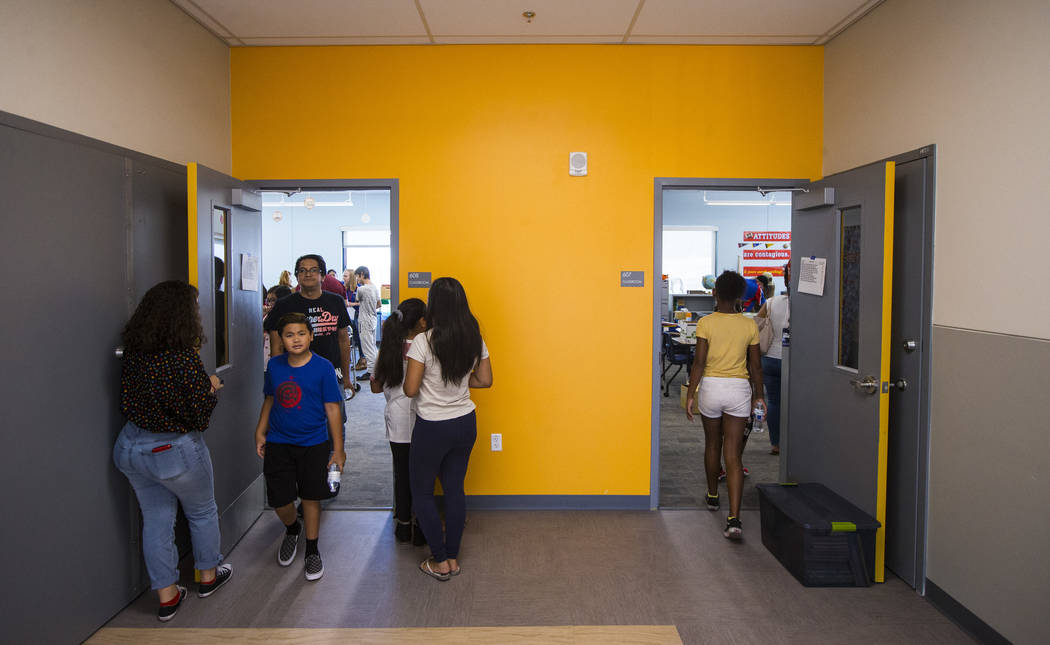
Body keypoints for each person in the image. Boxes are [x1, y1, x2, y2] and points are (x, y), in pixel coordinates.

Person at [112, 280, 233, 621]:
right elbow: (198, 415)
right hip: (173, 450)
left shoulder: (134, 349)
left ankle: (167, 597)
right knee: (201, 512)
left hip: (131, 446)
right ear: (183, 315)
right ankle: (208, 576)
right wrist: (211, 387)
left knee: (156, 519)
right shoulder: (181, 358)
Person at [404, 277, 493, 580]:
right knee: (454, 490)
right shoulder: (473, 338)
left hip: (432, 427)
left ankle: (439, 561)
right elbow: (485, 380)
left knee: (422, 493)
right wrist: (455, 380)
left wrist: (431, 380)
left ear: (434, 305)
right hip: (465, 422)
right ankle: (453, 558)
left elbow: (410, 389)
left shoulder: (423, 341)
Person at [254, 312, 347, 581]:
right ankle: (292, 528)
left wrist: (338, 450)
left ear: (311, 336)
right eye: (289, 335)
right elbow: (271, 399)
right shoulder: (275, 366)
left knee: (310, 497)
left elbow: (332, 409)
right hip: (279, 442)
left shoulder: (323, 367)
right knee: (280, 501)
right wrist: (260, 430)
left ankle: (313, 550)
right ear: (280, 339)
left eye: (301, 334)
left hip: (314, 443)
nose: (296, 339)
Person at [685, 270, 765, 540]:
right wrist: (759, 396)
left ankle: (711, 495)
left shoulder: (705, 323)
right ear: (741, 296)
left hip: (712, 388)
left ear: (714, 293)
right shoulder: (749, 325)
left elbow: (699, 362)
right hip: (739, 391)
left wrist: (690, 394)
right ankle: (734, 519)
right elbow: (755, 366)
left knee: (712, 445)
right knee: (733, 455)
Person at [371, 298, 427, 543]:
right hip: (424, 418)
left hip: (397, 420)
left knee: (402, 475)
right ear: (421, 322)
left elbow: (374, 387)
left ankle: (403, 525)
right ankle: (422, 527)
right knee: (423, 476)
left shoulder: (389, 348)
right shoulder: (427, 346)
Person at [264, 255, 352, 402]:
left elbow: (343, 341)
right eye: (302, 270)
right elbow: (276, 345)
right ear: (297, 277)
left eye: (313, 270)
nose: (308, 274)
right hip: (293, 374)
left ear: (323, 276)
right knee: (297, 418)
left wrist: (347, 378)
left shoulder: (336, 301)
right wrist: (278, 378)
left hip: (332, 374)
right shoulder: (283, 305)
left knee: (334, 418)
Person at [756, 262, 791, 455]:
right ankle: (794, 441)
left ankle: (776, 444)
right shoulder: (808, 305)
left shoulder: (771, 303)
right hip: (793, 361)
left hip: (770, 359)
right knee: (795, 402)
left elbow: (756, 326)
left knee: (775, 402)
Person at [353, 265, 381, 382]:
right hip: (373, 319)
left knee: (367, 348)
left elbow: (356, 302)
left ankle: (371, 372)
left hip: (364, 320)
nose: (357, 280)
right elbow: (379, 304)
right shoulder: (374, 287)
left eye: (357, 277)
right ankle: (376, 370)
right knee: (373, 346)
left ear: (362, 274)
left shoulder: (361, 289)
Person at [263, 285, 292, 362]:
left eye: (273, 300)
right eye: (268, 300)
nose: (269, 304)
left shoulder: (288, 320)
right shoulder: (266, 316)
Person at [344, 268, 365, 367]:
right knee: (350, 338)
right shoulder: (343, 288)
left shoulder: (359, 288)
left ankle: (363, 358)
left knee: (359, 338)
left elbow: (363, 303)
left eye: (346, 276)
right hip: (347, 315)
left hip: (358, 314)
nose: (343, 278)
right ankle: (348, 359)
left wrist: (350, 304)